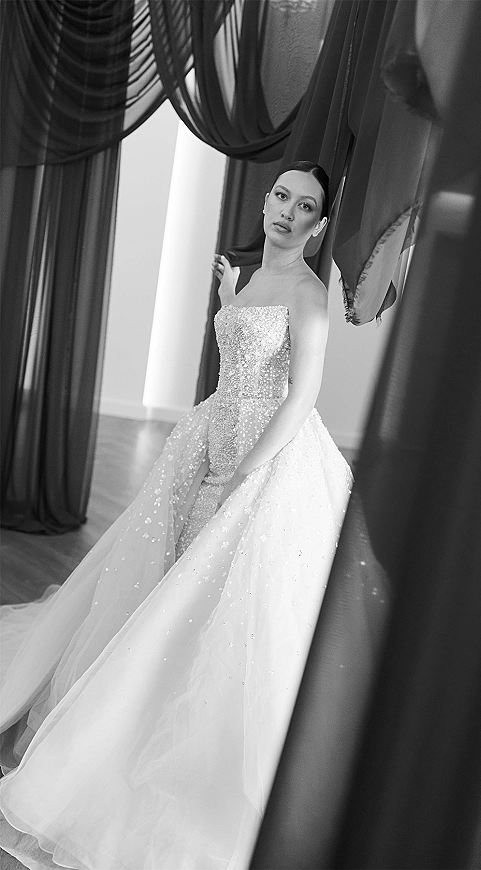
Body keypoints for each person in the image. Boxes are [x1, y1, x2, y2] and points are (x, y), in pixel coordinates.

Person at [0, 161, 353, 869]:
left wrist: (246, 476)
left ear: (317, 228)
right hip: (210, 436)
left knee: (225, 598)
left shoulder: (310, 297)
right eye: (281, 196)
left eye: (304, 207)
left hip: (262, 457)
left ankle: (181, 743)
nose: (286, 211)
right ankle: (127, 708)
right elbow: (238, 347)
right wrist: (228, 298)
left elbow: (301, 395)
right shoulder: (250, 276)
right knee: (166, 579)